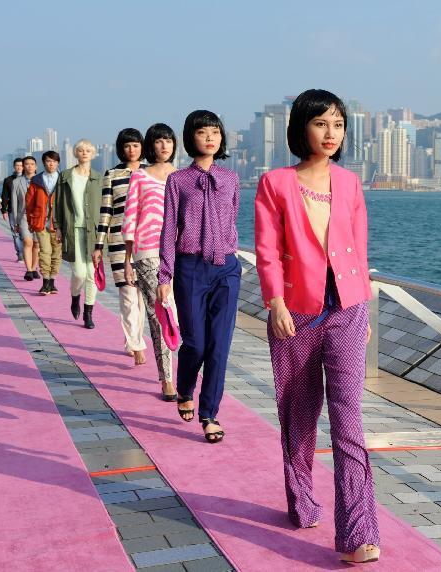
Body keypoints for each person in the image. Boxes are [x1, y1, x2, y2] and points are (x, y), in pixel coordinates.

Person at [254, 89, 379, 564]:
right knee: (299, 413)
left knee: (349, 421)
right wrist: (275, 302)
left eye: (339, 125)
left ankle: (357, 533)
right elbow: (267, 249)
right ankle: (302, 499)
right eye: (322, 123)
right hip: (297, 312)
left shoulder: (350, 183)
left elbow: (359, 249)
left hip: (347, 310)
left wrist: (362, 307)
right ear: (302, 127)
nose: (331, 134)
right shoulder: (275, 183)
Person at [157, 110, 240, 444]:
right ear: (190, 137)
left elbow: (232, 219)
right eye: (203, 132)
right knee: (195, 343)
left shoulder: (231, 179)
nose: (210, 137)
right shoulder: (177, 181)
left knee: (219, 345)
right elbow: (168, 230)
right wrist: (165, 275)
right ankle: (185, 386)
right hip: (190, 267)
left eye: (216, 132)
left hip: (227, 268)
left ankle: (210, 414)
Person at [124, 123, 177, 401]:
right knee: (161, 316)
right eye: (158, 141)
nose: (164, 146)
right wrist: (127, 259)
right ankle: (167, 379)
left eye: (168, 140)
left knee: (181, 317)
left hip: (182, 253)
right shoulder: (140, 177)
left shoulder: (182, 176)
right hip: (148, 253)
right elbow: (131, 218)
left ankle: (184, 374)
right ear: (150, 145)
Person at [94, 129, 148, 364]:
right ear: (120, 148)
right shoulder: (112, 175)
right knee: (128, 294)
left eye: (135, 145)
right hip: (117, 240)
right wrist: (98, 246)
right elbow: (105, 211)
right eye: (127, 146)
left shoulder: (149, 172)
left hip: (146, 241)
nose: (131, 150)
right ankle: (137, 345)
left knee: (143, 296)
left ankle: (133, 339)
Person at [55, 140, 102, 329]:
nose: (84, 153)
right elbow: (58, 203)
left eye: (88, 150)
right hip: (72, 230)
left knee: (92, 274)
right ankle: (75, 297)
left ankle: (88, 314)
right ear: (75, 153)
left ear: (93, 154)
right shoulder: (66, 176)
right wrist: (58, 226)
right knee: (80, 273)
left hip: (93, 232)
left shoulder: (99, 178)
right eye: (80, 150)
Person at [26, 151, 62, 294]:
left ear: (58, 163)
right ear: (43, 163)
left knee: (56, 254)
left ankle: (52, 282)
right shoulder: (36, 180)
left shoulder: (63, 179)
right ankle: (45, 282)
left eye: (53, 161)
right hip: (40, 222)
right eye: (48, 161)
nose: (51, 163)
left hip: (58, 224)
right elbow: (29, 203)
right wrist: (30, 221)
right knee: (45, 252)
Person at [11, 156, 40, 280]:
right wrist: (16, 222)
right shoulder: (16, 182)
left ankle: (34, 268)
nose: (29, 166)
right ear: (23, 166)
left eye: (32, 164)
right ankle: (28, 270)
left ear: (36, 166)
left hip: (39, 216)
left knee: (37, 244)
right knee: (27, 242)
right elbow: (14, 202)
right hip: (23, 215)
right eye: (26, 164)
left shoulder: (41, 180)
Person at [1, 158, 25, 260]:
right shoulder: (8, 180)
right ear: (14, 167)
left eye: (21, 165)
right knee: (15, 233)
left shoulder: (28, 178)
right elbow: (4, 196)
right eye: (17, 165)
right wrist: (4, 210)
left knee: (24, 233)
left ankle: (25, 252)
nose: (19, 167)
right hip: (12, 210)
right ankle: (20, 254)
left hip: (25, 210)